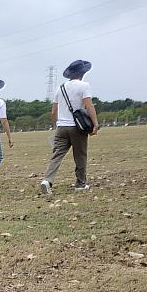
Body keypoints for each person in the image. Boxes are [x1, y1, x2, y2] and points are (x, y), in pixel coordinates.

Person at [40, 60, 99, 195]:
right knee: (80, 155)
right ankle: (80, 183)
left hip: (61, 127)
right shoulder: (84, 86)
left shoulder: (60, 88)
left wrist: (57, 125)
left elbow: (53, 111)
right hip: (77, 127)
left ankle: (47, 180)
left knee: (56, 155)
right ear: (82, 73)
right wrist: (95, 123)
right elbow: (89, 105)